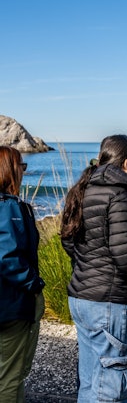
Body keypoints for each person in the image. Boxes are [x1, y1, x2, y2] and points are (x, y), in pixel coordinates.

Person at [60, 134, 127, 403]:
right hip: (109, 302)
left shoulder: (83, 188)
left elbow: (67, 237)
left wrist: (86, 265)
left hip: (82, 297)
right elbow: (126, 255)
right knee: (110, 388)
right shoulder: (118, 194)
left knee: (91, 382)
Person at [0, 146, 45, 402]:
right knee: (12, 374)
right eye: (22, 166)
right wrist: (34, 284)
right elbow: (8, 257)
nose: (24, 172)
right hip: (12, 303)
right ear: (9, 170)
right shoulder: (9, 208)